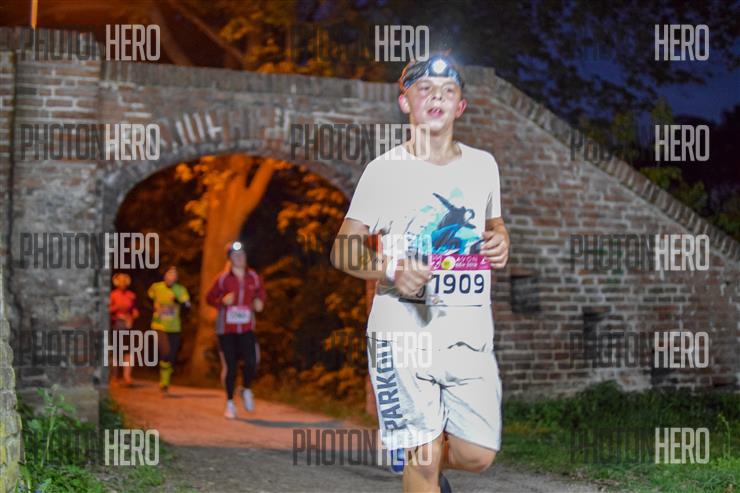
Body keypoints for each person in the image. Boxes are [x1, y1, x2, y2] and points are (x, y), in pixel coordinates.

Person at [331, 54, 510, 493]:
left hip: (468, 333)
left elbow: (494, 223)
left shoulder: (483, 166)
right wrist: (391, 268)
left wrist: (501, 239)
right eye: (425, 89)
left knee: (477, 455)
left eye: (448, 91)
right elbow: (342, 249)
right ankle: (419, 461)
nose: (437, 97)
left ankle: (416, 459)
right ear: (405, 102)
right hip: (402, 333)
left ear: (460, 107)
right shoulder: (383, 171)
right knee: (424, 459)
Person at [206, 241, 266, 419]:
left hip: (246, 328)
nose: (239, 258)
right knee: (230, 366)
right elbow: (209, 298)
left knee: (252, 362)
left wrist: (259, 301)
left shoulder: (253, 277)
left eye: (242, 255)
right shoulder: (223, 278)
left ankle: (246, 389)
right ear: (230, 259)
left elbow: (261, 293)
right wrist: (222, 301)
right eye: (235, 255)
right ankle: (230, 403)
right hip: (226, 330)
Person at [148, 266, 191, 393]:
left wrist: (177, 300)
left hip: (174, 327)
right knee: (165, 352)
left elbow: (187, 306)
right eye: (169, 273)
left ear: (177, 278)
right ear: (165, 275)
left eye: (174, 275)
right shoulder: (156, 287)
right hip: (159, 325)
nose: (171, 276)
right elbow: (148, 299)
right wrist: (155, 308)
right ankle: (164, 381)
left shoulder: (180, 290)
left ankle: (165, 381)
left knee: (171, 355)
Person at [109, 273, 140, 385]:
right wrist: (116, 309)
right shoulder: (113, 295)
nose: (122, 283)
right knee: (116, 352)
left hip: (128, 326)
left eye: (124, 281)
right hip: (116, 325)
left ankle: (127, 377)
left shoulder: (131, 295)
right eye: (120, 280)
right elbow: (107, 310)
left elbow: (134, 310)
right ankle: (114, 376)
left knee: (129, 351)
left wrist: (134, 314)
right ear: (116, 282)